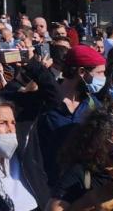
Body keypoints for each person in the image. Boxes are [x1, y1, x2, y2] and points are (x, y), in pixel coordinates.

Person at [32, 44, 104, 190]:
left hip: (82, 186)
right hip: (50, 186)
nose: (103, 78)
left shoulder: (92, 103)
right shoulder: (43, 102)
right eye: (100, 72)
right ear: (82, 72)